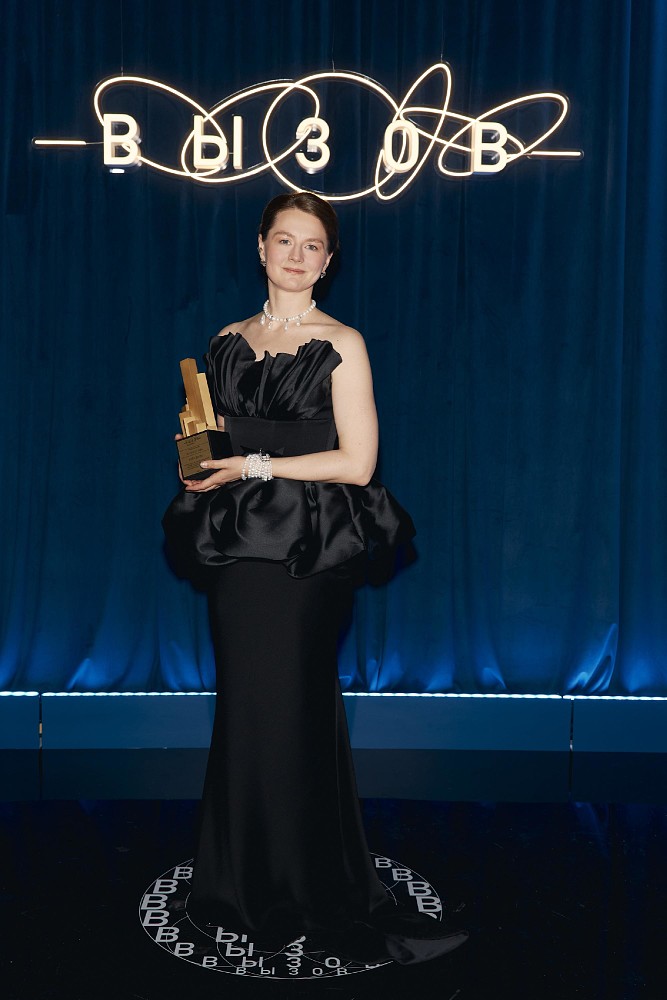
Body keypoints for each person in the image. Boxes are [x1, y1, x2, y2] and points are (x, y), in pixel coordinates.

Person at [162, 191, 467, 965]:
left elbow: (357, 463)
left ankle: (309, 884)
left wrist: (254, 465)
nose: (296, 256)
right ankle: (238, 881)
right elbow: (209, 444)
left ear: (328, 262)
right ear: (260, 247)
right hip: (237, 551)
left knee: (294, 711)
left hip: (307, 551)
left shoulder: (342, 343)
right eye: (284, 241)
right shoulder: (224, 340)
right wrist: (198, 461)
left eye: (312, 246)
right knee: (246, 712)